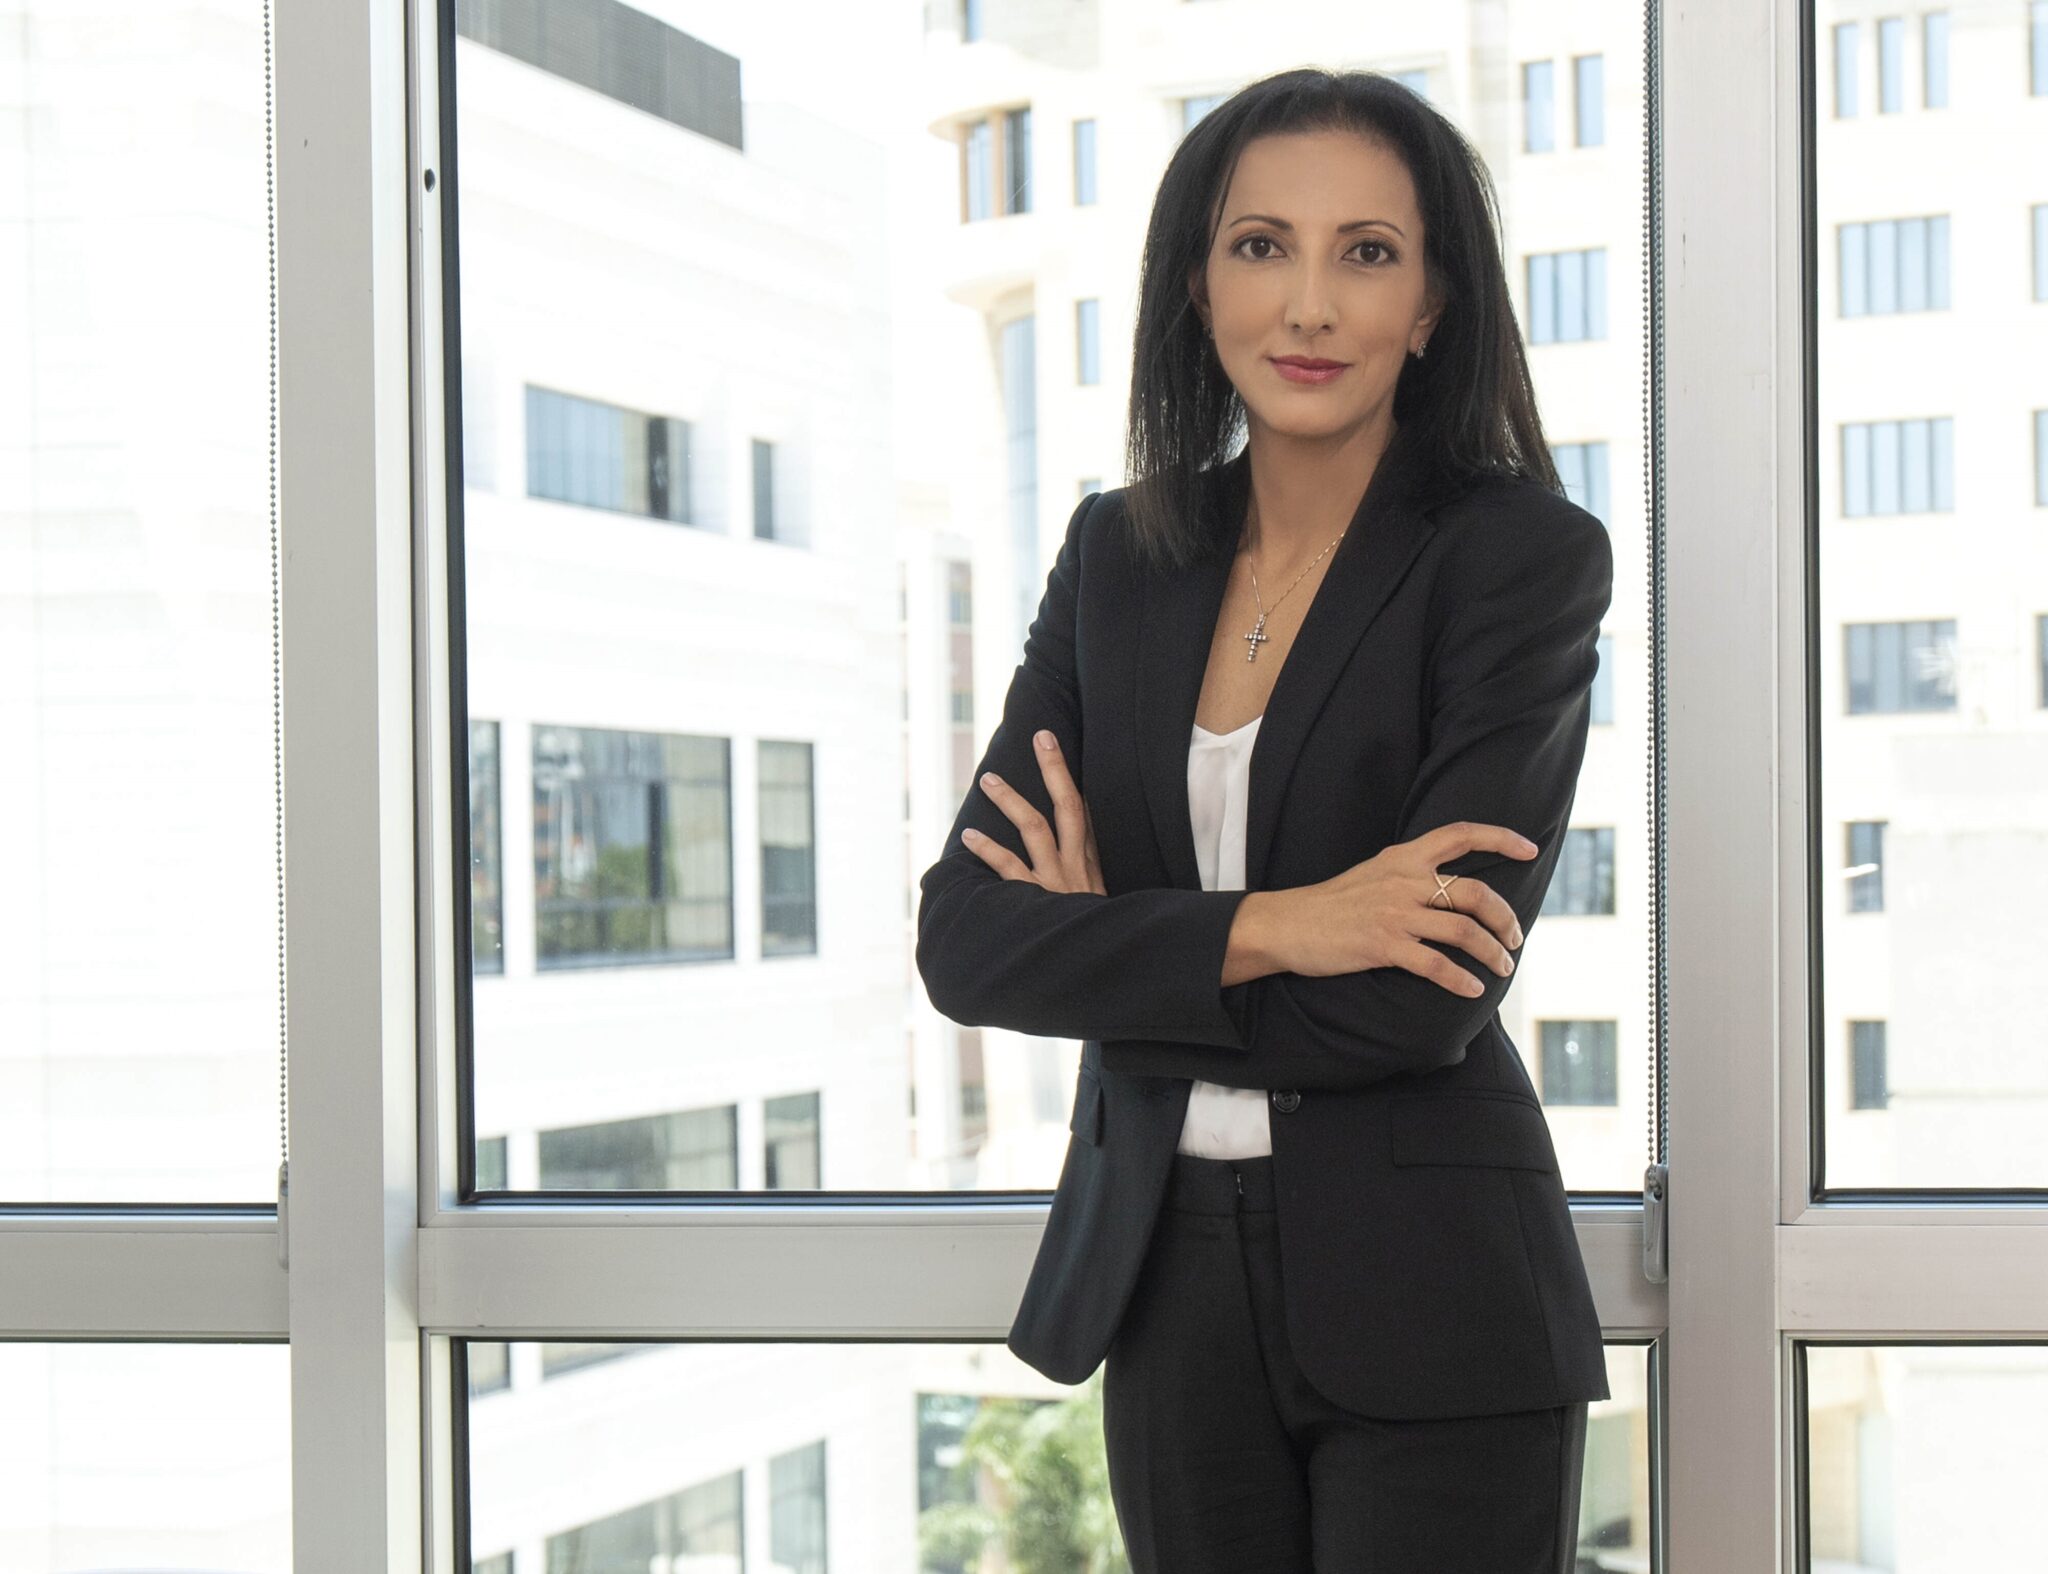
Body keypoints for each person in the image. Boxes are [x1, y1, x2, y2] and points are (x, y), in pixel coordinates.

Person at [916, 66, 1612, 1572]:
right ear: (1197, 283)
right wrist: (1289, 925)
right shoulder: (1120, 556)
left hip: (1435, 1300)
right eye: (1260, 246)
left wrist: (1109, 954)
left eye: (1367, 252)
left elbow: (1417, 999)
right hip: (1161, 1282)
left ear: (1431, 303)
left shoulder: (1518, 559)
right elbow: (965, 943)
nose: (1309, 305)